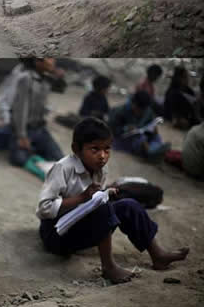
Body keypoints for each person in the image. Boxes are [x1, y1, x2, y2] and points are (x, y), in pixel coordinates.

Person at [37, 117, 189, 284]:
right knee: (103, 208)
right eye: (94, 149)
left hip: (80, 225)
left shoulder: (100, 169)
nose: (102, 156)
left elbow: (94, 201)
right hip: (56, 235)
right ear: (76, 149)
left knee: (128, 205)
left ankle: (157, 254)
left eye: (107, 149)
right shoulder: (62, 168)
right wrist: (81, 198)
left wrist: (106, 194)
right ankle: (108, 267)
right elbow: (44, 208)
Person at [7, 58, 64, 166]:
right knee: (19, 160)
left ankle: (34, 147)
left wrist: (60, 77)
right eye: (49, 58)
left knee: (59, 158)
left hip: (40, 130)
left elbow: (61, 89)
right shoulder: (26, 78)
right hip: (25, 129)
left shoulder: (47, 78)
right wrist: (21, 136)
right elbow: (20, 109)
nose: (54, 61)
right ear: (38, 62)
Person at [109, 91, 171, 160]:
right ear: (133, 104)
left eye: (143, 110)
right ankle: (149, 152)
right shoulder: (121, 111)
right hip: (126, 138)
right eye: (139, 110)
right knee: (140, 138)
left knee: (155, 135)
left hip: (142, 132)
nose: (141, 112)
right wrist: (126, 128)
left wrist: (153, 127)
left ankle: (157, 148)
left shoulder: (147, 110)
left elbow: (150, 121)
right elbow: (112, 130)